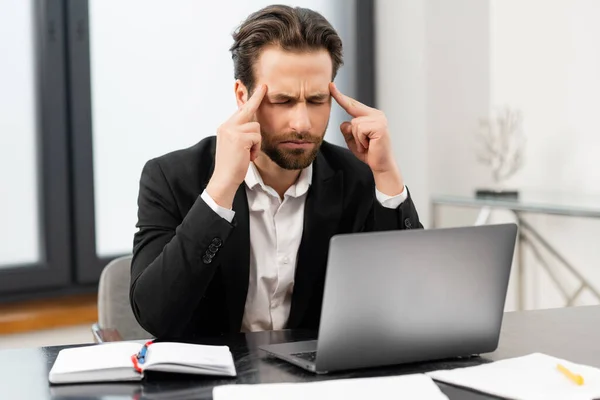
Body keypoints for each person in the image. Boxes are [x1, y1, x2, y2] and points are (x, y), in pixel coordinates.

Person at [130, 4, 422, 340]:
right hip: (214, 384)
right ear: (243, 96)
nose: (302, 124)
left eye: (315, 101)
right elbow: (154, 315)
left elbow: (409, 302)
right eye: (282, 101)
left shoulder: (358, 178)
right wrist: (221, 190)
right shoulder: (170, 178)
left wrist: (386, 173)